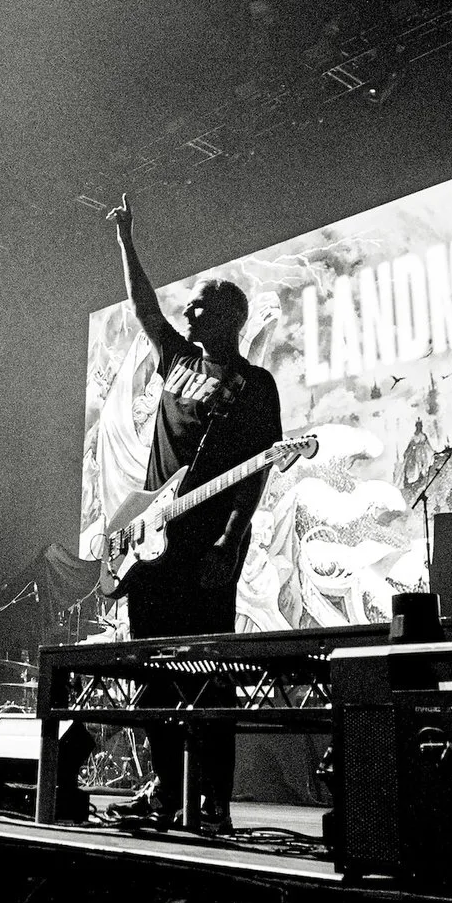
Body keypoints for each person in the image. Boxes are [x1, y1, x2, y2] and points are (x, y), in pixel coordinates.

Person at [105, 195, 283, 830]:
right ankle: (166, 792)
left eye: (201, 304)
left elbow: (257, 470)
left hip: (207, 548)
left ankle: (213, 801)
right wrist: (126, 238)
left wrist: (230, 542)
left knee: (209, 676)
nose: (188, 310)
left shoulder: (254, 386)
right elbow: (146, 309)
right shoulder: (177, 358)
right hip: (151, 545)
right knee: (154, 673)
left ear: (228, 317)